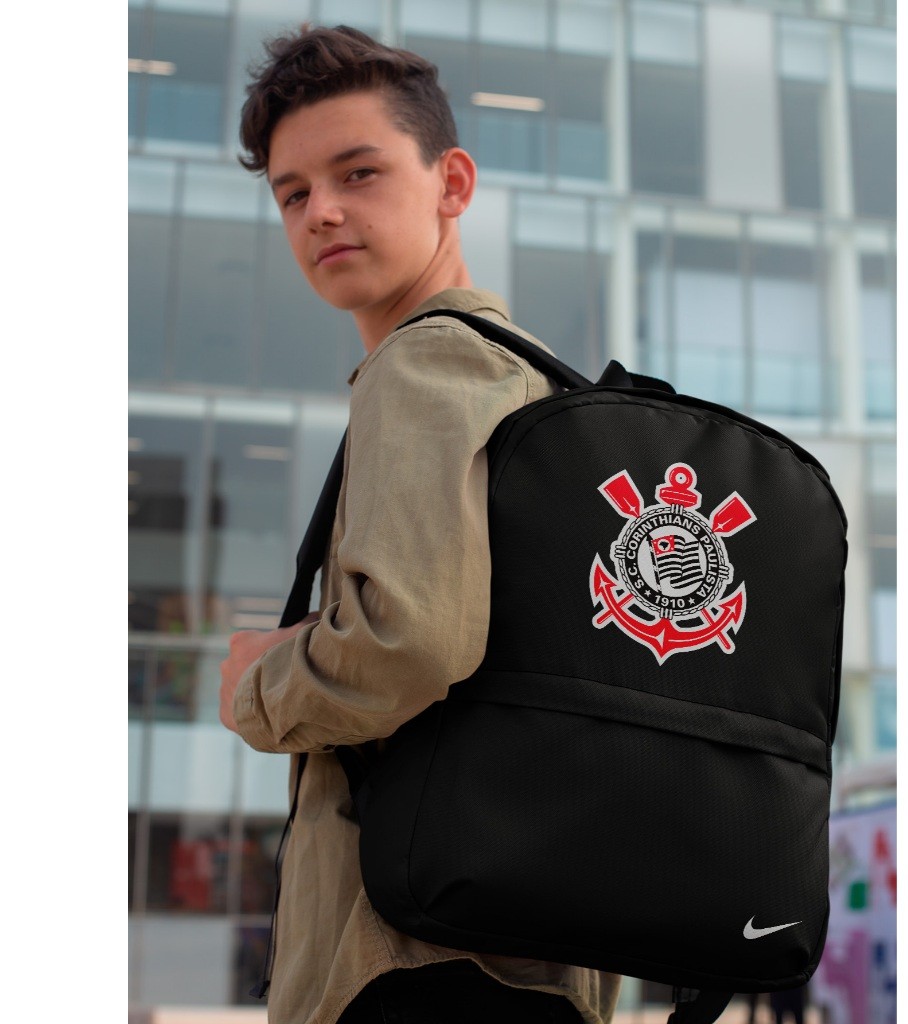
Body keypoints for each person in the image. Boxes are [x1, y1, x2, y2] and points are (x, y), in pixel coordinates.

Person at [218, 24, 622, 1024]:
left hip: (410, 966)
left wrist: (258, 681)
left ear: (453, 182)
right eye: (293, 193)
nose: (322, 211)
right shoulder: (531, 379)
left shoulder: (427, 360)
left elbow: (410, 641)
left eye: (358, 173)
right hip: (528, 950)